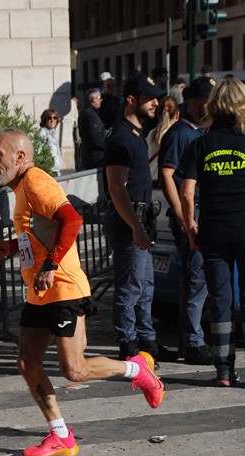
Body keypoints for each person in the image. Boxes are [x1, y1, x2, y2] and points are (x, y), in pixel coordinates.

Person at [0, 128, 165, 456]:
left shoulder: (36, 181)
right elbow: (41, 232)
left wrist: (51, 265)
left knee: (75, 370)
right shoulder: (23, 187)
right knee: (28, 362)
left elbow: (72, 219)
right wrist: (10, 246)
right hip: (41, 290)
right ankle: (61, 436)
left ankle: (137, 370)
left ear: (19, 157)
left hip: (63, 288)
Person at [103, 73, 177, 365]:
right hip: (129, 222)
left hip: (139, 220)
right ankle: (129, 346)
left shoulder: (134, 136)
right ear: (132, 100)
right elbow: (115, 188)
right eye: (150, 98)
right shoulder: (122, 137)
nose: (156, 103)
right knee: (130, 288)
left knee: (145, 287)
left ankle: (147, 342)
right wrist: (136, 227)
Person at [181, 77, 245, 386]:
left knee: (221, 299)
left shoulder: (201, 144)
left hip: (214, 231)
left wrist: (190, 227)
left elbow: (186, 192)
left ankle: (223, 370)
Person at [158, 76, 215, 365]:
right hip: (192, 217)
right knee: (195, 279)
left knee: (199, 280)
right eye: (208, 100)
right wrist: (184, 218)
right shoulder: (181, 133)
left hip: (202, 214)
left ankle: (190, 340)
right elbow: (167, 174)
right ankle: (192, 342)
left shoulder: (202, 130)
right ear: (194, 103)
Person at [147, 95, 180, 182]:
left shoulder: (151, 133)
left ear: (158, 114)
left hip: (151, 181)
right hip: (167, 183)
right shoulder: (175, 136)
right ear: (177, 115)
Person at [77, 88, 107, 169]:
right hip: (96, 159)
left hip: (90, 156)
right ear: (93, 100)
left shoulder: (85, 112)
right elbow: (96, 138)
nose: (101, 100)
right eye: (99, 98)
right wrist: (108, 146)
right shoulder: (91, 115)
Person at [38, 108, 62, 176]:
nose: (52, 120)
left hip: (55, 170)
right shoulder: (42, 132)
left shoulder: (53, 133)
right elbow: (38, 151)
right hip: (48, 170)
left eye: (55, 118)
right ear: (45, 120)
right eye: (49, 118)